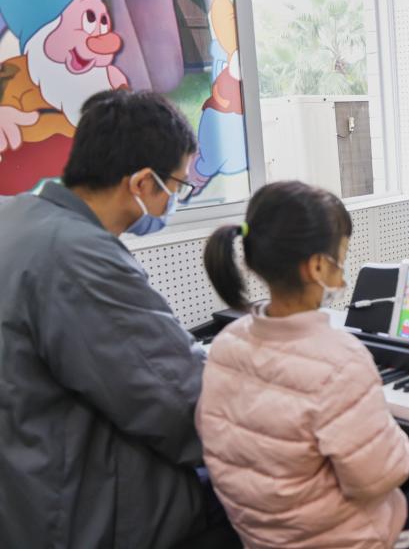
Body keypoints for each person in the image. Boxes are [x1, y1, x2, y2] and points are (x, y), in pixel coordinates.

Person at [0, 90, 240, 548]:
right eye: (179, 184)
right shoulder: (76, 257)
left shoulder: (17, 217)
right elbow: (182, 404)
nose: (177, 198)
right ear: (143, 183)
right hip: (86, 516)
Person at [198, 180, 409, 548]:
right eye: (342, 252)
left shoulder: (228, 343)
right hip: (338, 538)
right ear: (319, 266)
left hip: (261, 533)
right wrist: (391, 434)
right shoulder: (339, 358)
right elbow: (380, 477)